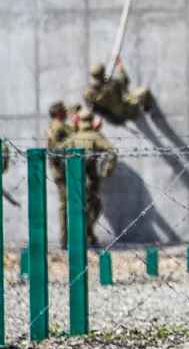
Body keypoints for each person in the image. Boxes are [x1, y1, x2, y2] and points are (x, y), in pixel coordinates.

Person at [67, 108, 117, 246]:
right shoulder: (95, 137)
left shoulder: (74, 137)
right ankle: (81, 238)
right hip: (90, 176)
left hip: (75, 176)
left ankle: (86, 235)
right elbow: (111, 153)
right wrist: (105, 173)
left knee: (90, 207)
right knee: (90, 208)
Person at [44, 101, 77, 247]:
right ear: (58, 113)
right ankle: (66, 238)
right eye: (63, 111)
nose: (66, 113)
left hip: (60, 169)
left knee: (66, 203)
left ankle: (67, 238)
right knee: (66, 204)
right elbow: (71, 141)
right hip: (63, 170)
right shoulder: (58, 127)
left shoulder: (52, 126)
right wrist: (75, 128)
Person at [83, 59, 153, 125]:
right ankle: (146, 108)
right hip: (122, 115)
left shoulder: (87, 93)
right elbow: (125, 81)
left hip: (110, 119)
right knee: (144, 90)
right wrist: (120, 67)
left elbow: (90, 107)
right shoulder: (112, 85)